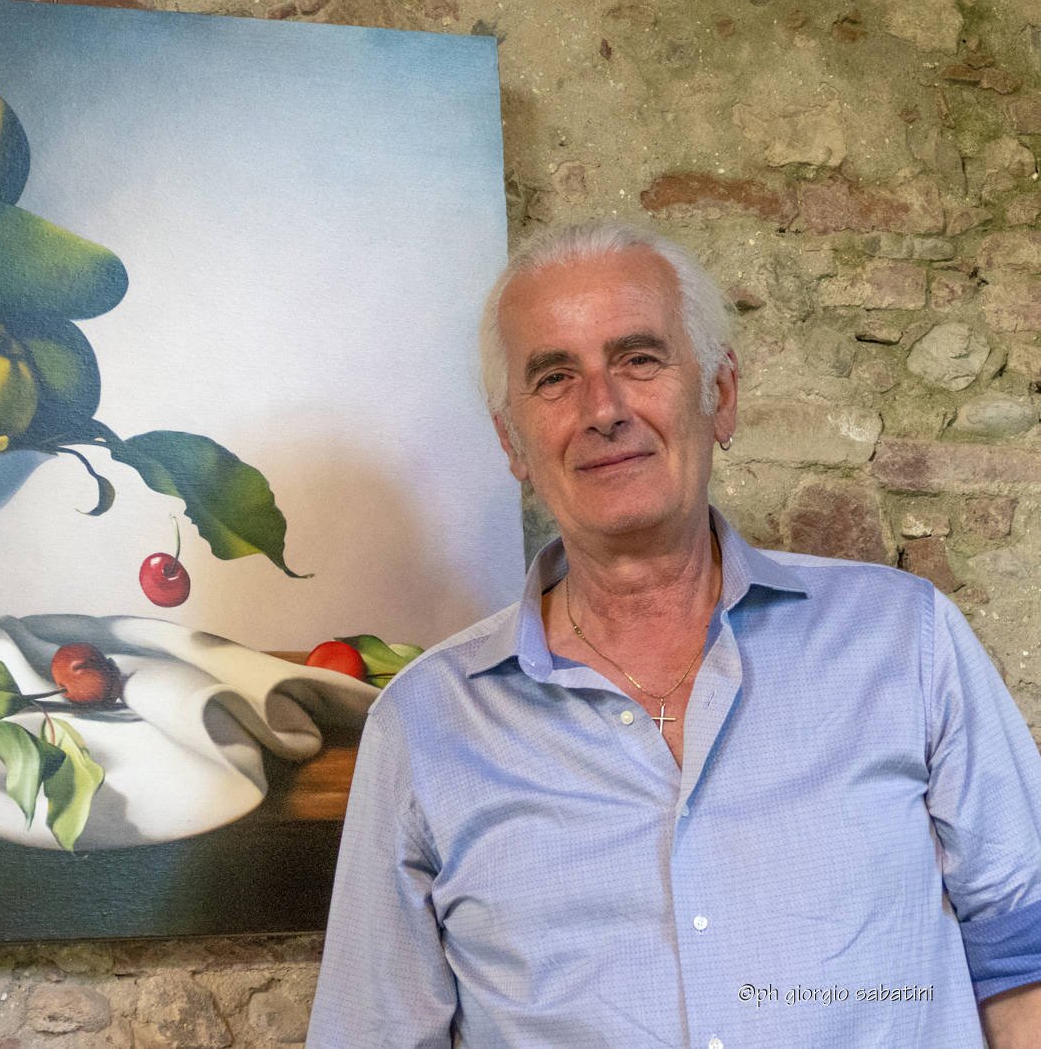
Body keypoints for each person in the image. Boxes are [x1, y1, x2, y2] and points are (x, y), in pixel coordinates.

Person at [306, 222, 1041, 1049]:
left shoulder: (906, 641)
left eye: (638, 359)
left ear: (719, 395)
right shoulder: (423, 728)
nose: (602, 409)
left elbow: (1025, 957)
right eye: (554, 377)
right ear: (511, 440)